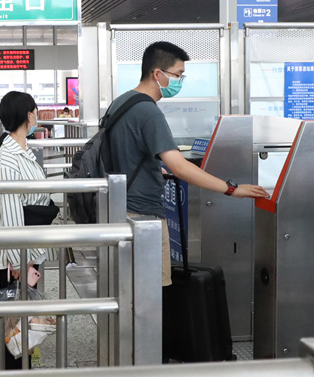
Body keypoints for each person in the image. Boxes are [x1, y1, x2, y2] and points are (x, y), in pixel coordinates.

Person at [105, 41, 269, 287]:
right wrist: (232, 188)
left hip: (119, 207)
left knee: (129, 289)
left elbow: (121, 151)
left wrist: (150, 167)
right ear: (157, 74)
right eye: (177, 75)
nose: (180, 81)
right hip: (143, 215)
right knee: (149, 293)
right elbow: (179, 167)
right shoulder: (149, 112)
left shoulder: (122, 102)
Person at [0, 91, 53, 369]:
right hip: (17, 251)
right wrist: (19, 257)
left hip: (26, 244)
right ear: (29, 116)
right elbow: (12, 211)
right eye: (35, 112)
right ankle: (11, 370)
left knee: (17, 307)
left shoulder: (20, 149)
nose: (37, 117)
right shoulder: (8, 159)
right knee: (14, 307)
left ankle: (14, 364)